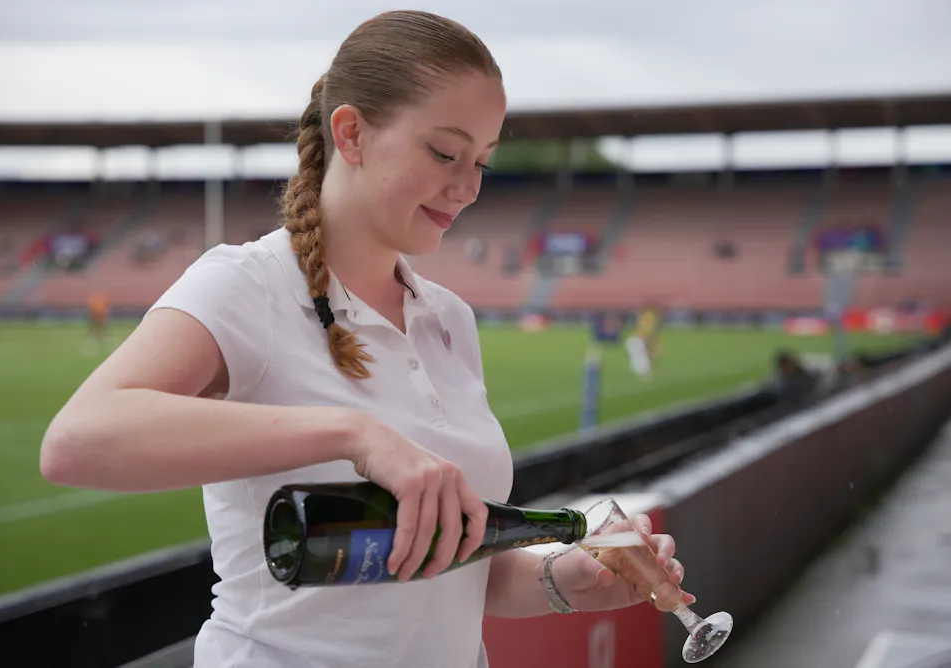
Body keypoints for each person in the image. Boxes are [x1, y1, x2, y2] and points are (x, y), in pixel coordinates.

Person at [39, 11, 692, 668]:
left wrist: (563, 579)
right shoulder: (248, 286)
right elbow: (76, 442)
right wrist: (353, 434)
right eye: (444, 152)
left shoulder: (450, 321)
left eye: (482, 162)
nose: (468, 189)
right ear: (350, 133)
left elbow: (454, 573)